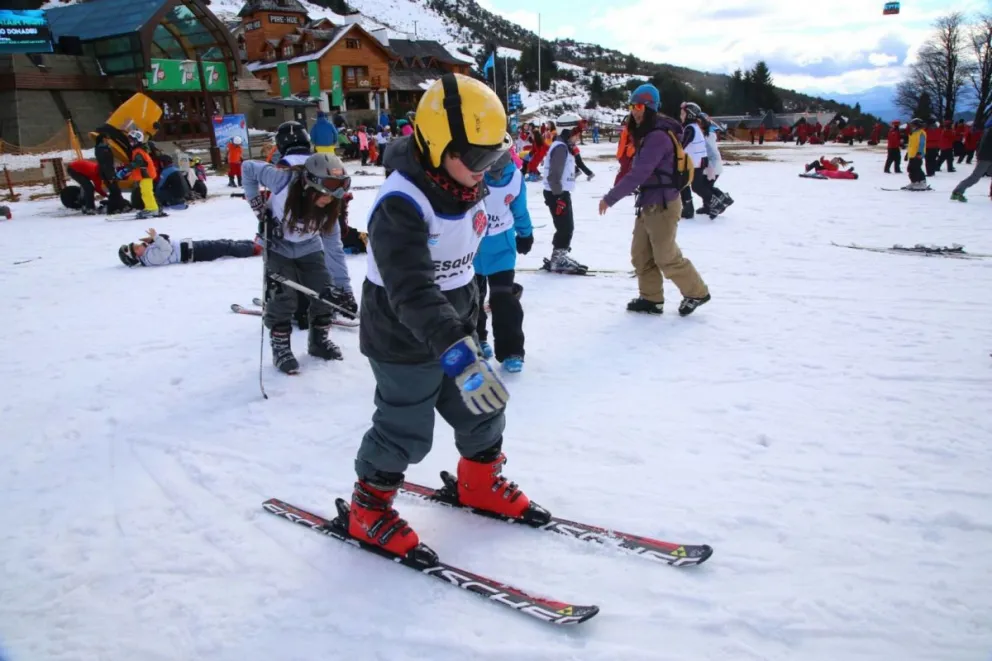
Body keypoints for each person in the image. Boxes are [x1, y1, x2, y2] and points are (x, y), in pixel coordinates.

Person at [347, 73, 529, 559]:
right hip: (402, 334)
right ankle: (369, 506)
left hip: (454, 326)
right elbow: (411, 289)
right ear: (434, 144)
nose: (485, 170)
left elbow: (459, 266)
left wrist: (469, 320)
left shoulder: (465, 182)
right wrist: (453, 339)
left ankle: (479, 482)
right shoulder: (400, 204)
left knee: (484, 405)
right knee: (406, 426)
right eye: (474, 158)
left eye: (495, 157)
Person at [598, 83, 711, 317]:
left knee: (665, 256)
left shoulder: (657, 136)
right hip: (648, 202)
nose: (634, 111)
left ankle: (696, 292)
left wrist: (611, 198)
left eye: (639, 106)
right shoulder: (647, 133)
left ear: (650, 107)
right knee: (640, 254)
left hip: (663, 204)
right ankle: (651, 299)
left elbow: (640, 173)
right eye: (631, 105)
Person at [243, 152, 351, 373]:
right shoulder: (282, 180)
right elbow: (247, 167)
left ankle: (318, 342)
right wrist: (258, 209)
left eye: (333, 196)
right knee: (283, 298)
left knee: (325, 292)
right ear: (309, 184)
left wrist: (344, 290)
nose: (327, 200)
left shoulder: (330, 208)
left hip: (309, 248)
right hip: (278, 247)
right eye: (323, 194)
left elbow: (335, 250)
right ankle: (281, 349)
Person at [475, 149, 533, 372]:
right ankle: (477, 340)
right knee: (473, 298)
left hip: (501, 248)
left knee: (503, 298)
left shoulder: (515, 177)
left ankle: (510, 350)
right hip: (471, 248)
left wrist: (525, 234)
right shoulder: (472, 173)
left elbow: (520, 210)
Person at [542, 115, 587, 273]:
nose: (578, 137)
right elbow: (554, 175)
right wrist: (560, 196)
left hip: (558, 192)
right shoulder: (560, 147)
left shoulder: (562, 146)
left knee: (565, 226)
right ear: (568, 131)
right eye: (577, 133)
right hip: (557, 194)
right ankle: (559, 258)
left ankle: (559, 255)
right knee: (565, 227)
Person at [117, 227, 261, 267]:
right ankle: (254, 249)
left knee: (223, 242)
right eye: (136, 249)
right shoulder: (151, 259)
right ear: (137, 257)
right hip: (194, 253)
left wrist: (153, 239)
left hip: (192, 247)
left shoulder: (148, 253)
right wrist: (155, 238)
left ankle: (252, 244)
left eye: (136, 245)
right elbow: (166, 249)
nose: (138, 246)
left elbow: (165, 239)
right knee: (223, 247)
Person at [125, 130, 165, 220]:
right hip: (145, 175)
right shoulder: (138, 150)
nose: (130, 142)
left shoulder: (138, 151)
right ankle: (150, 207)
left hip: (146, 175)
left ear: (137, 141)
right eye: (129, 140)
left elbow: (138, 162)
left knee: (147, 193)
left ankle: (153, 208)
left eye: (132, 140)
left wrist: (128, 168)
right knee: (144, 193)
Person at [950, 117, 992, 202]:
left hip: (986, 156)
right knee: (975, 177)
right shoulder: (990, 131)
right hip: (986, 158)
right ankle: (957, 192)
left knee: (975, 177)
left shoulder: (987, 130)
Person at [94, 133, 128, 214]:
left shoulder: (104, 148)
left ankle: (120, 206)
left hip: (108, 172)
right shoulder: (102, 150)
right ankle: (113, 209)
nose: (108, 140)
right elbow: (105, 164)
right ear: (103, 139)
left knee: (115, 191)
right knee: (115, 191)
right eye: (107, 138)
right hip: (108, 173)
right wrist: (110, 177)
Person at [904, 118, 929, 191]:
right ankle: (914, 182)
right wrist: (907, 153)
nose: (912, 126)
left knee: (916, 168)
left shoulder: (921, 133)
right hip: (912, 154)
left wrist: (919, 153)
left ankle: (922, 182)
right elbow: (911, 144)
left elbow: (921, 144)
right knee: (911, 169)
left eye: (913, 125)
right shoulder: (913, 133)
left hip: (918, 154)